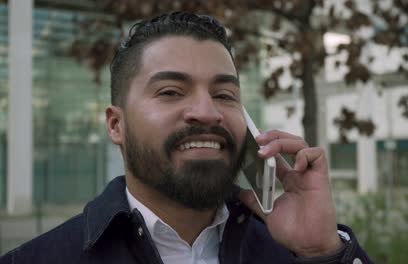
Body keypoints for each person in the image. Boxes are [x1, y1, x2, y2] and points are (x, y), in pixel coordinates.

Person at [0, 12, 373, 264]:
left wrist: (324, 251)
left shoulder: (293, 252)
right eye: (170, 92)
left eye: (224, 95)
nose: (207, 112)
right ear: (116, 125)